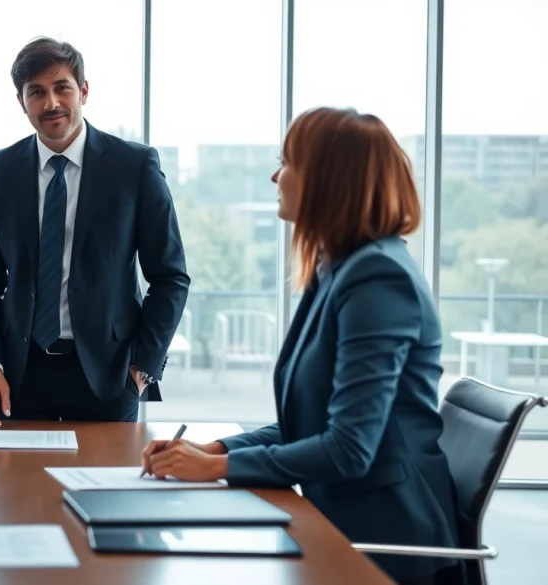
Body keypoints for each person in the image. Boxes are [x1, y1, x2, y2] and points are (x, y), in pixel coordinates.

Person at [141, 107, 462, 585]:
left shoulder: (378, 278)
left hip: (384, 545)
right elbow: (309, 425)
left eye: (287, 163)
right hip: (338, 524)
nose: (276, 176)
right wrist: (209, 450)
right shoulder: (340, 269)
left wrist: (217, 467)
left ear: (329, 179)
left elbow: (348, 449)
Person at [0, 37, 190, 425]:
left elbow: (170, 277)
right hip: (18, 378)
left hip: (110, 378)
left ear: (83, 91)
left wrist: (143, 368)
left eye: (62, 88)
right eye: (37, 92)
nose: (51, 102)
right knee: (11, 470)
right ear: (21, 102)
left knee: (108, 469)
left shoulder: (134, 166)